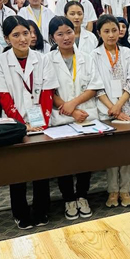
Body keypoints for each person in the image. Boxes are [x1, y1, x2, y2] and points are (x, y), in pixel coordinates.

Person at [0, 16, 59, 229]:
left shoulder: (42, 59)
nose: (22, 39)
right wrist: (23, 125)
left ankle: (41, 209)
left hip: (41, 122)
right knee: (17, 169)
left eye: (26, 33)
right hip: (14, 123)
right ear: (7, 39)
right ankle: (20, 211)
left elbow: (47, 93)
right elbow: (3, 97)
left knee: (41, 167)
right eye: (16, 35)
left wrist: (42, 122)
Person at [47, 16, 104, 219]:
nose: (66, 37)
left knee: (83, 160)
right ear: (53, 37)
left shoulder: (86, 58)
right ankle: (68, 199)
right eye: (60, 34)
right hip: (61, 118)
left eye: (69, 32)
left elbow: (94, 86)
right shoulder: (48, 60)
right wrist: (70, 109)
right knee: (64, 161)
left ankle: (82, 196)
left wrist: (74, 105)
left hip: (85, 116)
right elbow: (48, 92)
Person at [91, 15, 130, 208]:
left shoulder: (128, 52)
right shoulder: (94, 55)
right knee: (111, 153)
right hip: (105, 110)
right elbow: (96, 85)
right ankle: (112, 190)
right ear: (99, 33)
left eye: (114, 30)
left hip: (126, 109)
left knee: (126, 152)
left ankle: (125, 189)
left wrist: (119, 106)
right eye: (106, 31)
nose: (111, 35)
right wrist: (112, 108)